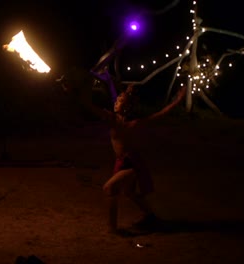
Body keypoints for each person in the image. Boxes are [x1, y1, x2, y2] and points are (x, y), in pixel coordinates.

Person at [64, 80, 186, 236]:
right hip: (120, 161)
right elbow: (90, 106)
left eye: (120, 101)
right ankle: (151, 217)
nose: (116, 102)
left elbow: (159, 115)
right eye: (116, 100)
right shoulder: (111, 119)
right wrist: (74, 92)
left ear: (128, 106)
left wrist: (177, 101)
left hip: (132, 163)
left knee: (109, 188)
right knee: (129, 193)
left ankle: (113, 228)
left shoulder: (134, 124)